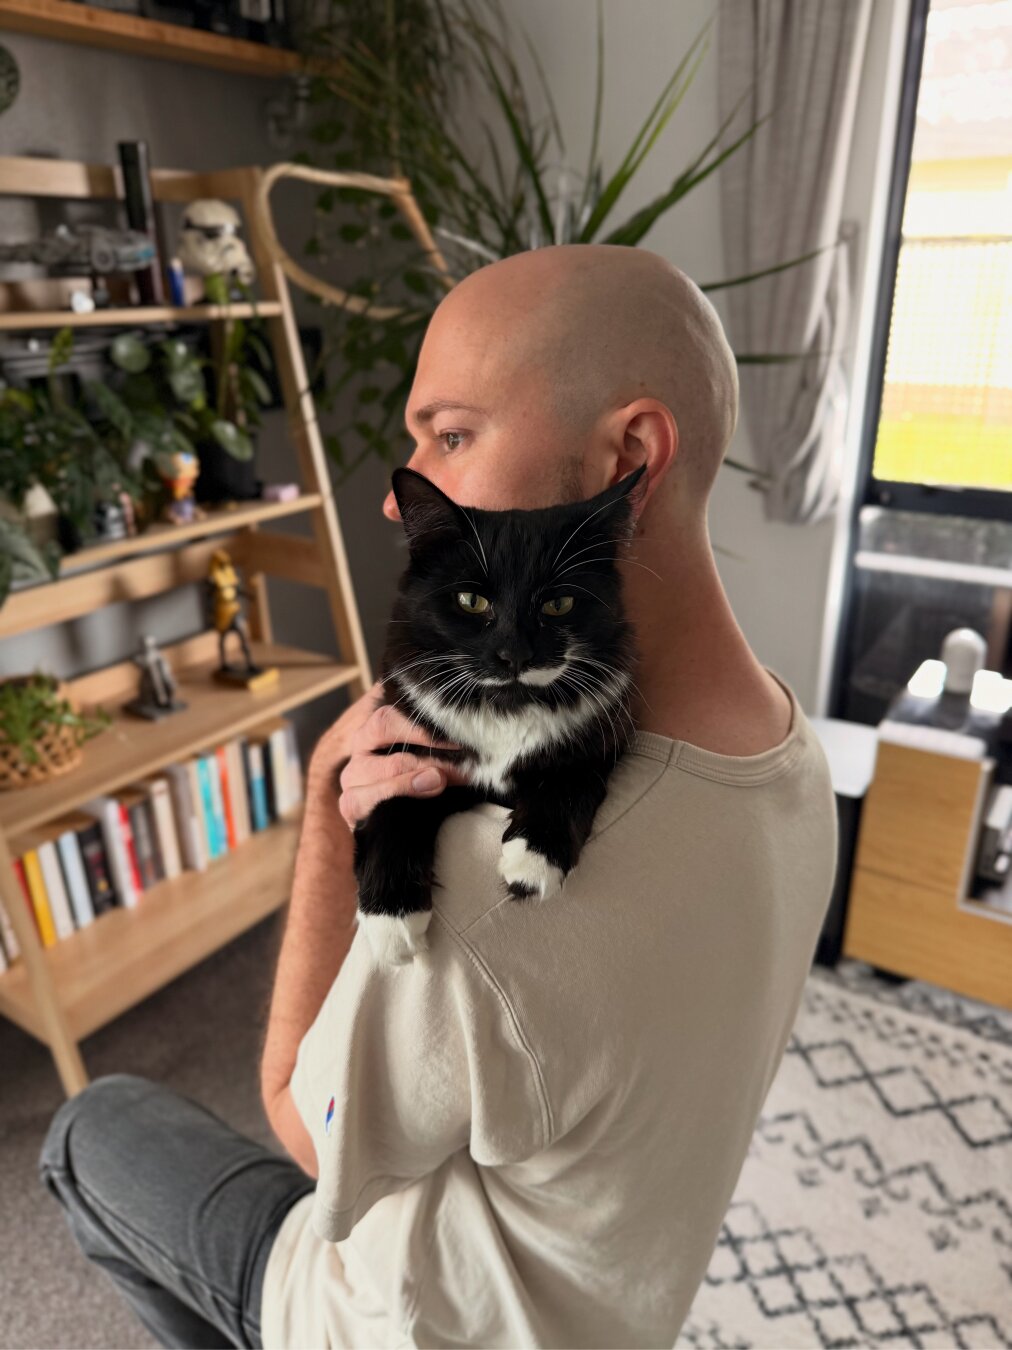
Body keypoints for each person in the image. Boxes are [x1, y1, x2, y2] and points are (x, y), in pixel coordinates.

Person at [38, 244, 838, 1349]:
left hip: (390, 1325)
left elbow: (303, 1133)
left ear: (631, 457)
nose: (391, 491)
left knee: (90, 1126)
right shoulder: (794, 756)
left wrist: (329, 801)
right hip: (607, 1310)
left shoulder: (483, 891)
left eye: (450, 435)